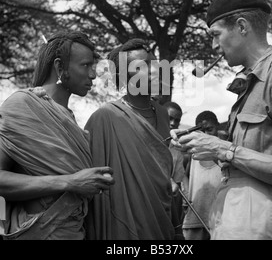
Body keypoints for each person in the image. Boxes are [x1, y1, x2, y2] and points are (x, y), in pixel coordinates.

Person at [171, 0, 272, 240]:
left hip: (263, 225)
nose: (213, 46)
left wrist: (224, 149)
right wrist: (204, 149)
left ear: (241, 26)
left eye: (215, 35)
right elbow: (246, 162)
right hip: (235, 220)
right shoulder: (247, 84)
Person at [0, 31, 115, 240]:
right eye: (86, 65)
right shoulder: (22, 106)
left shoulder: (70, 119)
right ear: (60, 67)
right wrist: (69, 182)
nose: (93, 75)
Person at [84, 38, 175, 240]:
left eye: (153, 62)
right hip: (122, 226)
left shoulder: (162, 113)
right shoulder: (106, 117)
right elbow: (93, 182)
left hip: (161, 220)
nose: (154, 70)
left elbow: (161, 173)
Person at [182, 111, 222, 240]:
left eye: (210, 130)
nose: (206, 135)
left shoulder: (224, 153)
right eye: (202, 132)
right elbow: (182, 175)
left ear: (218, 127)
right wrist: (187, 192)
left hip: (219, 221)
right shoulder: (192, 154)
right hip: (195, 218)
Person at [163, 101, 185, 235]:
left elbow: (177, 183)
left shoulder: (178, 148)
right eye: (169, 118)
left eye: (177, 120)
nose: (172, 123)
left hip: (170, 203)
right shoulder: (147, 139)